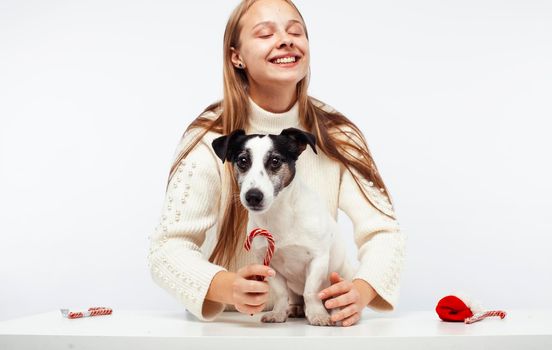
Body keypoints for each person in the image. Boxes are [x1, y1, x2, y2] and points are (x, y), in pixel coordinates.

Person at [147, 0, 406, 327]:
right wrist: (227, 288)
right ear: (236, 57)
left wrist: (362, 290)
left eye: (295, 32)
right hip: (230, 331)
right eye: (266, 33)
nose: (285, 40)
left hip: (321, 330)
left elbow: (384, 232)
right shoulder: (208, 135)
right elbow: (167, 249)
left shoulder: (338, 135)